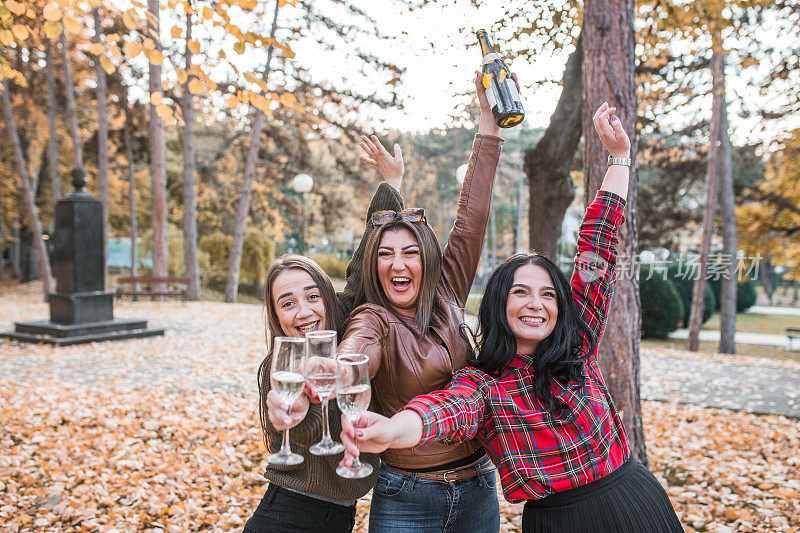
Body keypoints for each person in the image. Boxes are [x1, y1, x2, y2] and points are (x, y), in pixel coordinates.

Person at [340, 103, 684, 533]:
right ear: (499, 304)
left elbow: (598, 243)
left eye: (546, 294)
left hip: (634, 503)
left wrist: (619, 159)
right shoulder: (485, 383)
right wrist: (392, 430)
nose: (535, 304)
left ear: (561, 305)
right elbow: (445, 410)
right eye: (520, 292)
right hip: (554, 520)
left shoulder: (577, 342)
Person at [336, 72, 510, 533]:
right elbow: (358, 348)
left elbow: (472, 216)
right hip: (407, 496)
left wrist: (488, 126)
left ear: (427, 260)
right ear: (374, 265)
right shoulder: (374, 317)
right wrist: (342, 366)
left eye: (410, 252)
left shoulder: (448, 289)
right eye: (386, 254)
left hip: (477, 490)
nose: (399, 264)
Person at [243, 135, 406, 533]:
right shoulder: (278, 367)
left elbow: (364, 258)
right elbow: (309, 430)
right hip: (289, 515)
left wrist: (393, 184)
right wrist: (292, 408)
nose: (303, 311)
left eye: (312, 295)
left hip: (339, 517)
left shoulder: (346, 323)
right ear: (276, 314)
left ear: (329, 299)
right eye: (287, 302)